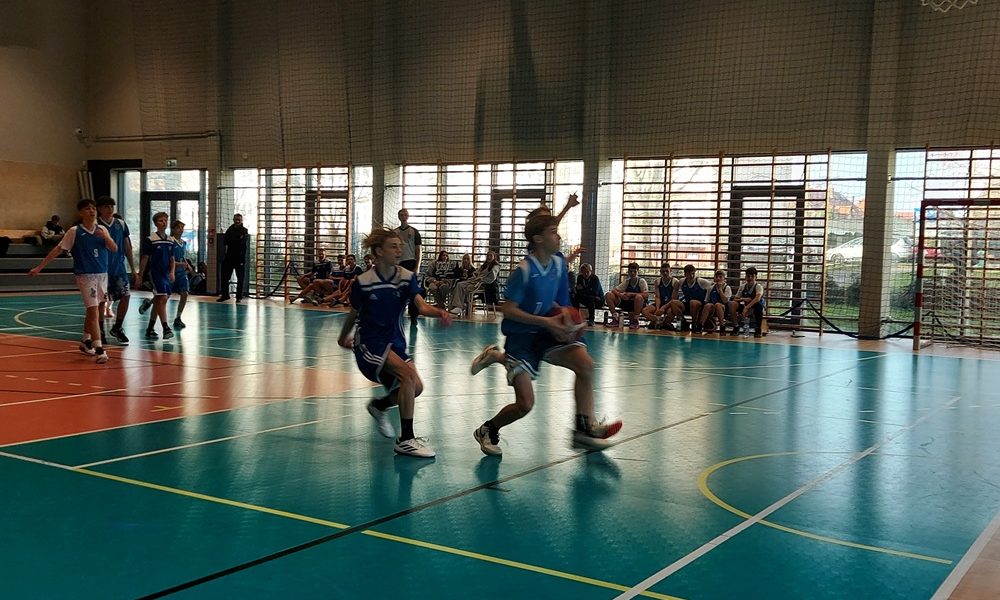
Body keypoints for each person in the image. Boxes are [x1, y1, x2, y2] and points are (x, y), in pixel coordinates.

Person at [471, 215, 622, 457]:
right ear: (538, 239)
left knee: (585, 365)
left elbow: (561, 302)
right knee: (525, 405)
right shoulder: (524, 270)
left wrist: (570, 320)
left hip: (548, 331)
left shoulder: (559, 264)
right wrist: (546, 321)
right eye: (553, 231)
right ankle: (488, 429)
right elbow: (507, 309)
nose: (559, 236)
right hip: (521, 337)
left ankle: (583, 429)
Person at [337, 227, 452, 458]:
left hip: (395, 343)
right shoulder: (364, 282)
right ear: (379, 251)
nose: (399, 250)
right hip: (370, 343)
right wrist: (342, 338)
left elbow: (421, 306)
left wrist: (440, 312)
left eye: (400, 246)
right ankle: (406, 440)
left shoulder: (406, 277)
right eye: (393, 246)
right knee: (407, 377)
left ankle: (379, 406)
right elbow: (353, 313)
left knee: (415, 387)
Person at [29, 199, 117, 364]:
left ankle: (85, 341)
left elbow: (114, 248)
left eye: (93, 208)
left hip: (102, 275)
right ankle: (99, 349)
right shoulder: (75, 231)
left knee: (96, 309)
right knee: (93, 311)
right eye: (87, 209)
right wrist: (40, 267)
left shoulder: (102, 229)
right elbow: (58, 249)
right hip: (85, 276)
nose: (92, 211)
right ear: (81, 212)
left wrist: (106, 237)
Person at [96, 197, 135, 345]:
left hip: (119, 268)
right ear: (100, 209)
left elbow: (127, 246)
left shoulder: (121, 224)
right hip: (100, 269)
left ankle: (117, 327)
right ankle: (100, 331)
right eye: (106, 206)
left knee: (126, 296)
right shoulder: (95, 225)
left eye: (112, 206)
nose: (110, 209)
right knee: (101, 301)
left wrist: (133, 268)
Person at [136, 212, 176, 339]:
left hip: (166, 273)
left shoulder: (170, 240)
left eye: (165, 220)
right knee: (162, 298)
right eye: (161, 220)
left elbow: (172, 259)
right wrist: (140, 276)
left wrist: (172, 272)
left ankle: (150, 328)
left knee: (161, 299)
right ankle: (166, 328)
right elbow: (145, 258)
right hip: (155, 273)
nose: (164, 222)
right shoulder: (151, 239)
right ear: (155, 223)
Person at [394, 208, 422, 319]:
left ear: (408, 216)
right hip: (398, 263)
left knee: (412, 289)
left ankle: (413, 313)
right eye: (401, 215)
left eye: (405, 214)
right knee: (398, 289)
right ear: (399, 217)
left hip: (410, 262)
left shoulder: (414, 231)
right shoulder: (394, 232)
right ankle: (398, 311)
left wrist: (417, 266)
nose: (403, 216)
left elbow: (418, 250)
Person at [605, 262, 648, 329]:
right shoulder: (627, 281)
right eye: (631, 271)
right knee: (608, 295)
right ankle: (615, 318)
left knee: (638, 297)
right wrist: (620, 295)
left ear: (638, 272)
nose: (633, 273)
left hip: (638, 305)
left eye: (634, 271)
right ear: (628, 272)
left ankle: (635, 321)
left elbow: (646, 295)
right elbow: (614, 290)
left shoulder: (641, 281)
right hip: (627, 303)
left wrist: (631, 294)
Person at [218, 213, 248, 302]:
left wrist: (233, 240)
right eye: (236, 220)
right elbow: (226, 241)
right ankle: (225, 295)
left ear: (241, 221)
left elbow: (241, 243)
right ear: (233, 220)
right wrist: (237, 238)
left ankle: (239, 296)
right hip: (229, 257)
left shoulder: (244, 230)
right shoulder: (230, 229)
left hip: (240, 258)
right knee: (225, 277)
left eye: (239, 220)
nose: (237, 221)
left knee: (240, 278)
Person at [729, 266, 766, 337]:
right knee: (733, 304)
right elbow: (735, 299)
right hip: (746, 307)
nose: (750, 278)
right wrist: (743, 299)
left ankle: (758, 329)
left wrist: (746, 308)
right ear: (745, 277)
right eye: (748, 276)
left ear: (756, 277)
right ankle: (736, 327)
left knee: (758, 306)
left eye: (752, 276)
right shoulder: (742, 287)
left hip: (756, 308)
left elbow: (757, 299)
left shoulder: (758, 287)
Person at [170, 220, 194, 329]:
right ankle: (150, 303)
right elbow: (168, 260)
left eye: (182, 228)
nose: (181, 230)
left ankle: (178, 317)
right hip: (171, 272)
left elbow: (182, 256)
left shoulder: (183, 243)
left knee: (185, 293)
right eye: (179, 227)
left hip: (181, 273)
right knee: (164, 295)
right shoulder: (170, 242)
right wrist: (180, 264)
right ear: (174, 229)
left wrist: (187, 265)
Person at [642, 262, 678, 330]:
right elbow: (657, 297)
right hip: (660, 303)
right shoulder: (657, 281)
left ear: (670, 271)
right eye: (663, 271)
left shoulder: (675, 282)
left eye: (667, 271)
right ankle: (657, 321)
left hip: (670, 304)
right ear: (660, 272)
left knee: (671, 312)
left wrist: (663, 308)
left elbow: (673, 299)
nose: (665, 273)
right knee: (644, 311)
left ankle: (665, 323)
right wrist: (658, 309)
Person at [677, 264, 711, 333]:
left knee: (693, 302)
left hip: (700, 304)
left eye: (693, 274)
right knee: (674, 303)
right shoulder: (682, 281)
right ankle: (684, 322)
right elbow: (676, 291)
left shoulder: (700, 281)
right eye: (689, 274)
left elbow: (712, 286)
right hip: (688, 304)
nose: (692, 276)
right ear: (685, 274)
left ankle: (694, 323)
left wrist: (707, 299)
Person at [700, 269, 732, 333]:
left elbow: (725, 301)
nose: (718, 278)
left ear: (724, 278)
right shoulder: (710, 288)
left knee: (718, 305)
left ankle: (722, 326)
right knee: (708, 305)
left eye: (720, 277)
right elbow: (706, 300)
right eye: (716, 277)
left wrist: (720, 289)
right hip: (713, 308)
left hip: (724, 309)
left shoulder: (727, 288)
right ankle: (701, 325)